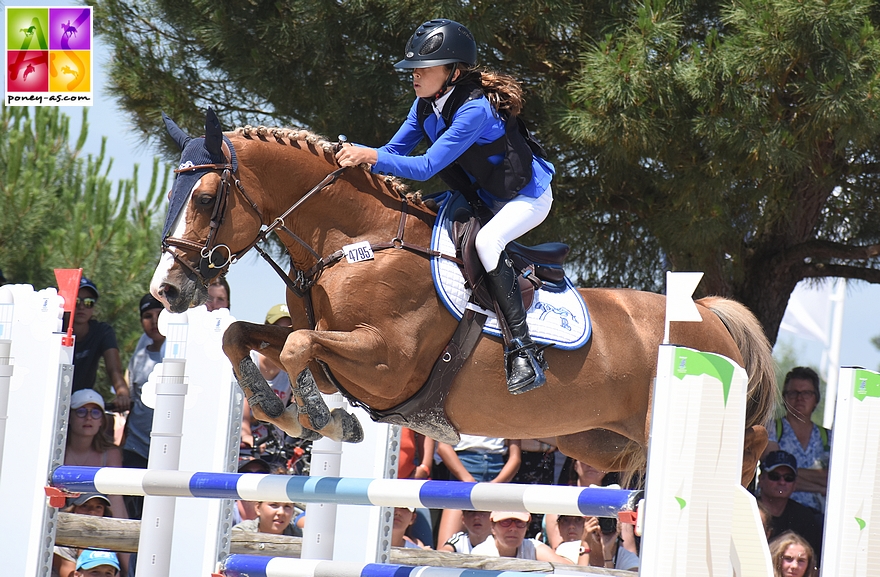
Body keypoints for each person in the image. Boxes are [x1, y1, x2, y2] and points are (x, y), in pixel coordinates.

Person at [335, 18, 555, 395]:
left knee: (487, 243)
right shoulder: (425, 105)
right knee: (423, 216)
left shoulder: (475, 110)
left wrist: (368, 156)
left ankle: (523, 349)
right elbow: (392, 152)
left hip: (527, 197)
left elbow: (426, 166)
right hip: (482, 196)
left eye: (423, 70)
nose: (414, 78)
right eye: (412, 71)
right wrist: (351, 154)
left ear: (452, 71)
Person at [121, 294, 166, 520]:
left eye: (160, 314)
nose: (154, 320)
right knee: (132, 515)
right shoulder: (139, 356)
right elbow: (131, 401)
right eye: (148, 316)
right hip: (136, 447)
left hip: (169, 449)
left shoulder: (186, 353)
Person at [763, 367, 830, 513]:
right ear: (784, 398)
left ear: (816, 399)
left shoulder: (829, 438)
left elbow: (834, 479)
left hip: (818, 519)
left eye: (806, 393)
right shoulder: (772, 428)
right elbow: (775, 473)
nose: (799, 398)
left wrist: (789, 475)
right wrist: (821, 486)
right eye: (793, 393)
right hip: (777, 512)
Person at [434, 435, 521, 547]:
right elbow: (443, 447)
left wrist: (495, 484)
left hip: (497, 473)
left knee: (500, 546)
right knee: (445, 547)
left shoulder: (508, 416)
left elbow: (515, 458)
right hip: (462, 470)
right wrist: (468, 480)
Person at [64, 389, 127, 519]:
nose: (88, 418)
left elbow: (116, 501)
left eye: (95, 413)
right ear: (69, 417)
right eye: (81, 412)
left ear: (101, 421)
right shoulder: (56, 451)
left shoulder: (111, 454)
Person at [70, 277, 130, 411]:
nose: (81, 307)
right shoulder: (53, 330)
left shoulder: (102, 332)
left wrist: (122, 395)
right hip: (50, 399)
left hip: (82, 404)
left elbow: (114, 370)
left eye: (88, 302)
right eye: (76, 301)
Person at [757, 450, 823, 563]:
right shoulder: (749, 509)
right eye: (774, 476)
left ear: (795, 484)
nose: (782, 482)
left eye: (788, 478)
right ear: (761, 480)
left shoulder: (804, 517)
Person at [54, 494, 128, 577]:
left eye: (98, 507)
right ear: (73, 509)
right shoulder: (62, 540)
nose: (92, 511)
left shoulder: (109, 538)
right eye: (85, 506)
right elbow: (69, 574)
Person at [470, 511, 570, 563]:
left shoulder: (533, 548)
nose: (513, 528)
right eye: (506, 522)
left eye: (519, 522)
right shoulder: (480, 553)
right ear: (492, 527)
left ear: (527, 527)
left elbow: (569, 570)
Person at [232, 500, 303, 536]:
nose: (281, 512)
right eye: (274, 505)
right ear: (258, 508)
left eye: (287, 506)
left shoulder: (302, 538)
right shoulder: (240, 533)